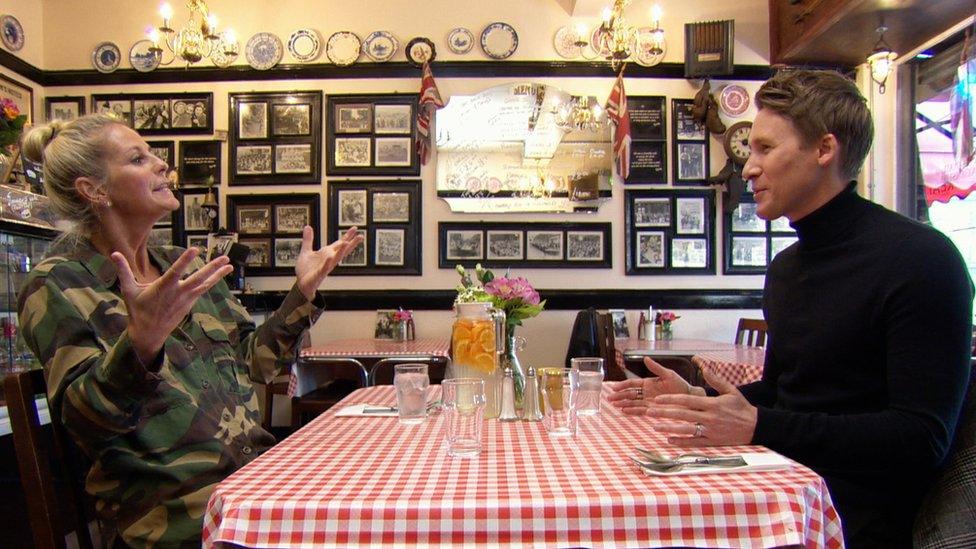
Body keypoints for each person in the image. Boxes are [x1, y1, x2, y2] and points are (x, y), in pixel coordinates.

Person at [609, 70, 973, 548]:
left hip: (847, 517)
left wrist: (758, 424)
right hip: (780, 480)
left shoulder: (922, 260)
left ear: (824, 150)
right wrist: (699, 398)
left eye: (765, 149)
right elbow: (787, 391)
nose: (747, 168)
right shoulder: (786, 267)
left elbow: (920, 439)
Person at [17, 114, 363, 547]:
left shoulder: (185, 265)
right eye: (138, 159)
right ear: (95, 189)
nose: (162, 165)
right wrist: (141, 344)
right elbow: (87, 423)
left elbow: (254, 362)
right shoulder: (58, 284)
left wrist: (302, 293)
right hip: (178, 518)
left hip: (251, 485)